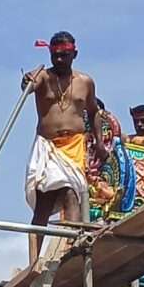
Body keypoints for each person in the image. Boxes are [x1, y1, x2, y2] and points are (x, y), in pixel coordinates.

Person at [22, 32, 107, 235]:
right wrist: (27, 80)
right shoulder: (43, 77)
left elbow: (94, 112)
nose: (59, 60)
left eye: (64, 55)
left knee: (71, 194)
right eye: (55, 55)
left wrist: (99, 143)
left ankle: (71, 246)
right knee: (43, 204)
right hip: (48, 147)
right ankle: (34, 253)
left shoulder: (85, 82)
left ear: (74, 54)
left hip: (74, 147)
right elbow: (29, 86)